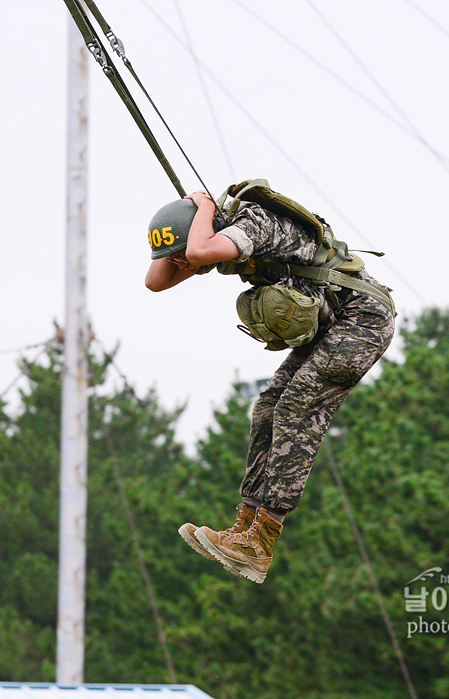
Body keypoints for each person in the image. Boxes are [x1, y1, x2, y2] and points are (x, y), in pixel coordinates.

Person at [146, 185, 395, 584]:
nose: (181, 264)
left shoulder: (255, 224)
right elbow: (155, 282)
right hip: (332, 326)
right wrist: (194, 224)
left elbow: (197, 253)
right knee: (266, 408)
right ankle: (245, 526)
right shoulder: (216, 234)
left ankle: (263, 539)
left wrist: (203, 207)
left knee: (297, 408)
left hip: (363, 321)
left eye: (179, 254)